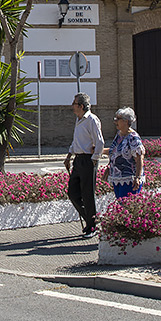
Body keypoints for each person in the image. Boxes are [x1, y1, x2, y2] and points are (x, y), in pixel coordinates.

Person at [64, 94, 105, 236]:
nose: (72, 105)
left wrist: (94, 159)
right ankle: (91, 219)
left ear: (81, 106)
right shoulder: (79, 119)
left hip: (88, 159)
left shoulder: (91, 120)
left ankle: (91, 226)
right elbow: (76, 141)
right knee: (73, 193)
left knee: (88, 194)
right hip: (78, 159)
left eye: (74, 103)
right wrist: (69, 156)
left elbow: (99, 141)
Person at [107, 106, 145, 200]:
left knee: (127, 205)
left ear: (126, 121)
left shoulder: (133, 137)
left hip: (129, 179)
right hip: (117, 178)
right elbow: (115, 152)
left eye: (118, 119)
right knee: (121, 205)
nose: (115, 121)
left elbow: (139, 158)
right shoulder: (119, 135)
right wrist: (98, 150)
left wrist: (137, 177)